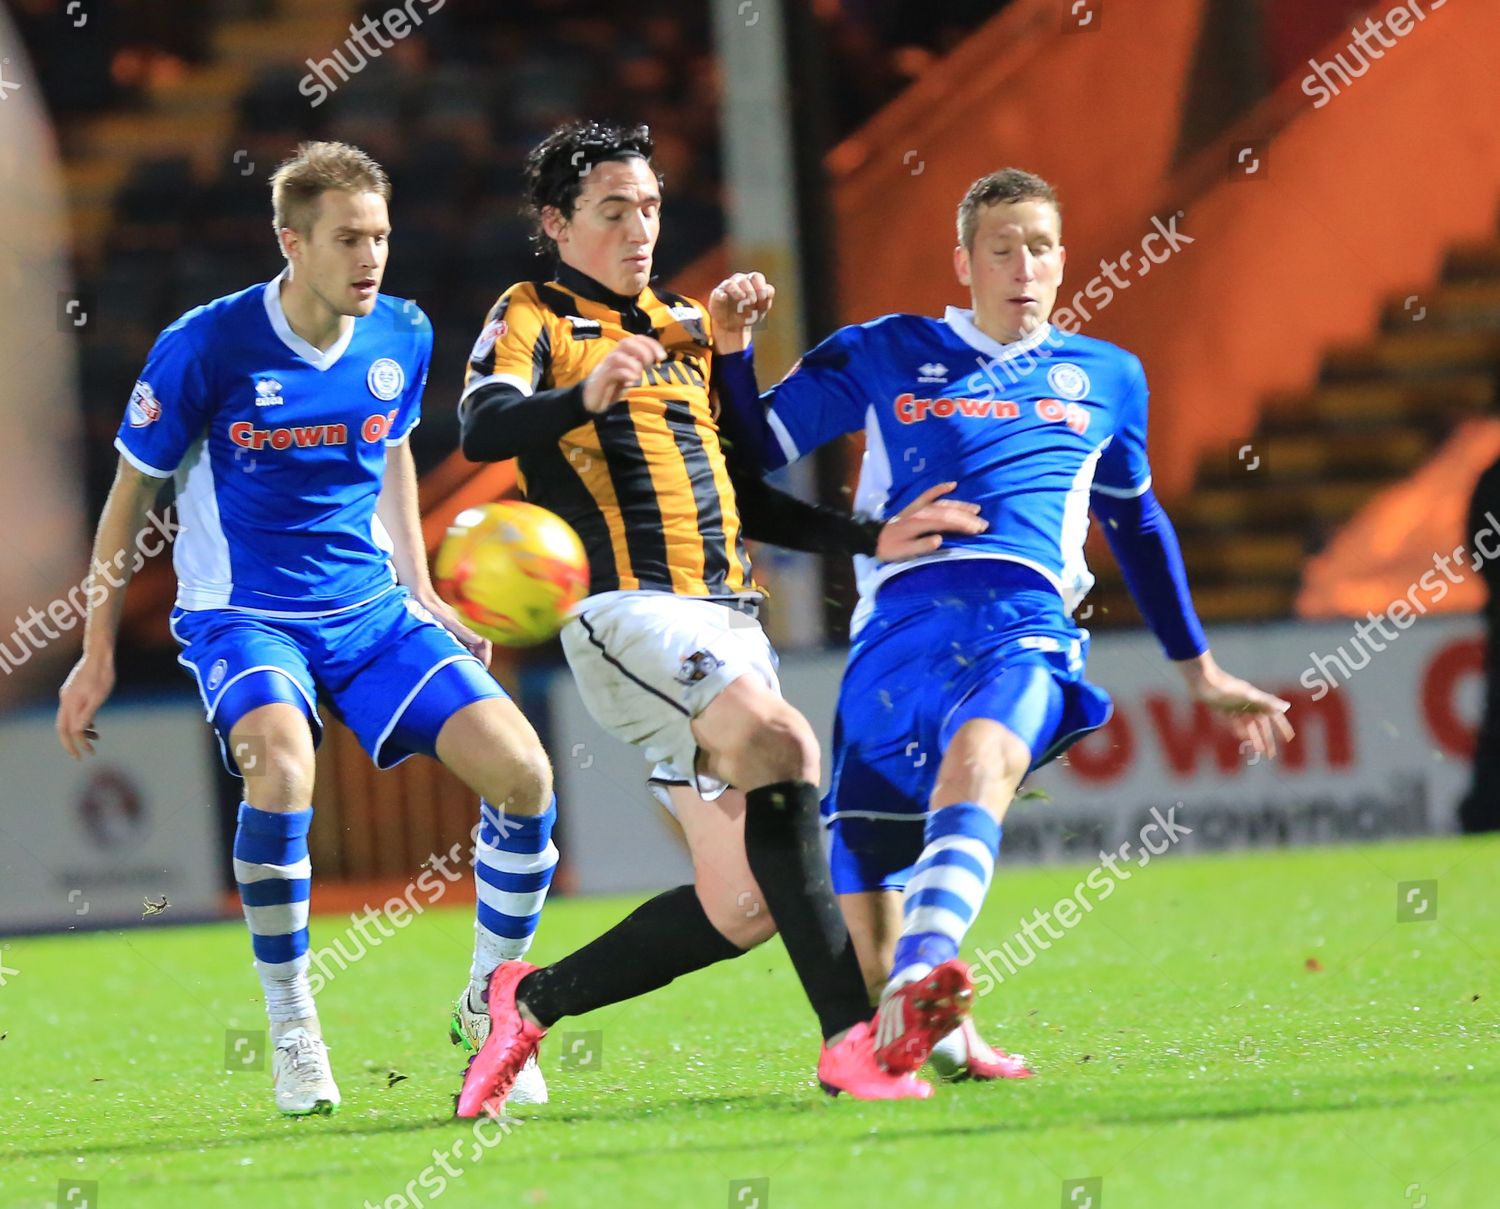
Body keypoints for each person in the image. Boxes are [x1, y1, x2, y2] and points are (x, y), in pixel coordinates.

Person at [452, 120, 987, 1114]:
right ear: (556, 223)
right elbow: (480, 424)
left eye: (649, 207)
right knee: (783, 744)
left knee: (743, 904)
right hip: (626, 612)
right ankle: (848, 1043)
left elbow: (746, 489)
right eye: (613, 211)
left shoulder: (682, 324)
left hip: (726, 621)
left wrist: (871, 535)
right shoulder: (534, 311)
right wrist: (580, 397)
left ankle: (530, 998)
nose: (638, 229)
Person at [712, 167, 1296, 1076]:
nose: (1023, 264)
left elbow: (1135, 522)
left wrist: (1200, 667)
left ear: (1063, 260)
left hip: (1020, 620)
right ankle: (937, 1018)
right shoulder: (883, 349)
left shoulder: (1107, 375)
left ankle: (924, 965)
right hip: (894, 639)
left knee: (981, 759)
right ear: (964, 260)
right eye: (1002, 247)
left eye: (1040, 246)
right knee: (868, 942)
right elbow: (750, 451)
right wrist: (733, 349)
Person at [56, 142, 560, 1116]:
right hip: (243, 616)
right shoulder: (208, 345)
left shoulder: (401, 335)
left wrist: (424, 593)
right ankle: (292, 1023)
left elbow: (396, 456)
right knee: (282, 769)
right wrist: (97, 649)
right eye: (347, 239)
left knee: (527, 775)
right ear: (292, 243)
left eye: (379, 236)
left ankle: (493, 1008)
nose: (370, 257)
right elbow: (128, 496)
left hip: (369, 611)